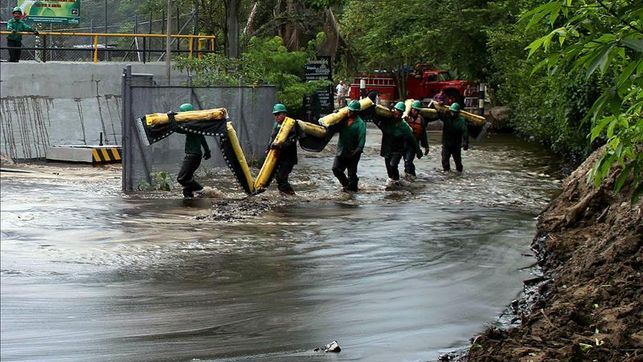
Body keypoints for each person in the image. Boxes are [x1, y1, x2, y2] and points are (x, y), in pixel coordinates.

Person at [372, 101, 422, 188]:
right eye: (396, 111)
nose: (397, 113)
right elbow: (375, 120)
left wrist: (418, 151)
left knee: (393, 165)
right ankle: (395, 182)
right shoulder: (386, 122)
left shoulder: (403, 126)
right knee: (389, 169)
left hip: (397, 150)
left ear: (402, 113)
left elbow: (412, 139)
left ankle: (396, 181)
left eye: (399, 112)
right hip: (387, 149)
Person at [176, 103, 211, 198]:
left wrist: (171, 120)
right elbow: (202, 138)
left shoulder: (191, 125)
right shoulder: (197, 124)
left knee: (181, 179)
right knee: (187, 184)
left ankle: (204, 192)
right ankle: (190, 200)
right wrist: (207, 151)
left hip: (192, 156)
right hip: (196, 156)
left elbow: (178, 129)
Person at [332, 100, 366, 192]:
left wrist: (356, 151)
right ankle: (346, 184)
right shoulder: (343, 119)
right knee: (336, 169)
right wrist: (334, 116)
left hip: (353, 153)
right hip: (341, 150)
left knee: (352, 173)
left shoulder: (360, 124)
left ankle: (353, 188)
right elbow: (334, 128)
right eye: (349, 110)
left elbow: (361, 141)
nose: (349, 112)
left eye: (352, 111)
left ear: (357, 112)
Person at [268, 103, 298, 195]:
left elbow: (292, 141)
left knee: (281, 176)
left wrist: (280, 146)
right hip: (279, 156)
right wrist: (268, 148)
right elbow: (272, 138)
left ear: (284, 114)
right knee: (279, 177)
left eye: (278, 114)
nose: (276, 117)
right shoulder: (276, 125)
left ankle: (291, 195)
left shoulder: (291, 124)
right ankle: (284, 194)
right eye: (275, 115)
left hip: (289, 157)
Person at [403, 100, 429, 180]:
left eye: (418, 110)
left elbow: (423, 134)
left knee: (408, 161)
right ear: (411, 109)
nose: (416, 112)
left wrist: (426, 146)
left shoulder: (421, 119)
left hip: (413, 144)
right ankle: (412, 174)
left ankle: (409, 177)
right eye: (415, 110)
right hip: (403, 143)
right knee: (406, 161)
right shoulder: (405, 117)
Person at [441, 102, 469, 173]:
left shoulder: (461, 121)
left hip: (456, 145)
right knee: (445, 162)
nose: (453, 113)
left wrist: (465, 142)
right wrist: (440, 106)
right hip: (446, 144)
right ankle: (446, 174)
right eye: (452, 112)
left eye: (455, 112)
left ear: (458, 113)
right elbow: (438, 114)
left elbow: (465, 132)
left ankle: (459, 175)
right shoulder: (446, 117)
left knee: (458, 164)